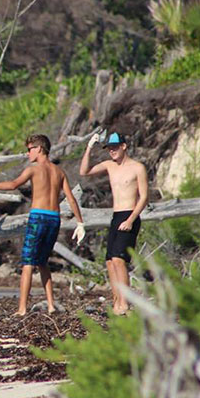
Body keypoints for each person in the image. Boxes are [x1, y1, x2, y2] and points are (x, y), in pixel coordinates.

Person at [0, 134, 85, 316]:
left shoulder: (33, 169)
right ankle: (51, 305)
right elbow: (71, 199)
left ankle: (22, 309)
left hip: (38, 218)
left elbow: (13, 184)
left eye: (29, 149)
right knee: (42, 263)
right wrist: (80, 223)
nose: (27, 153)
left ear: (39, 148)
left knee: (27, 263)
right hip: (54, 219)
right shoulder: (59, 171)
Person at [79, 131, 148, 315]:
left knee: (119, 260)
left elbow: (144, 197)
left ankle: (125, 303)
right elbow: (84, 172)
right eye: (110, 148)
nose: (112, 151)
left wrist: (131, 219)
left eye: (115, 147)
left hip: (129, 215)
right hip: (116, 216)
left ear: (124, 146)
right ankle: (117, 301)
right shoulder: (109, 165)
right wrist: (89, 147)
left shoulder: (137, 167)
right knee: (110, 262)